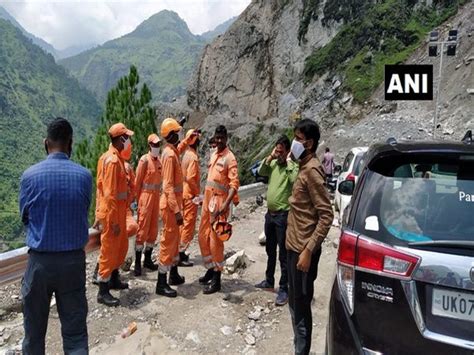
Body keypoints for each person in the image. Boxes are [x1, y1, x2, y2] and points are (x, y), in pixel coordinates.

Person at [19, 118, 92, 354]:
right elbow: (82, 209)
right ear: (70, 144)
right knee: (75, 334)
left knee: (34, 334)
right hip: (72, 263)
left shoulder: (29, 177)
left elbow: (25, 217)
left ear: (45, 143)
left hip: (40, 263)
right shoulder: (84, 176)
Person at [286, 119, 334, 355]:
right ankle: (298, 347)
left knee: (302, 308)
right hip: (292, 246)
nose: (294, 142)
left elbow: (327, 215)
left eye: (298, 138)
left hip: (302, 252)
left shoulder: (313, 170)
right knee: (294, 303)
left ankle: (301, 351)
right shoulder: (303, 167)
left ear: (310, 143)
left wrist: (308, 250)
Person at [255, 135, 298, 306]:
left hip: (282, 215)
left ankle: (284, 288)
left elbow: (295, 181)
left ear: (287, 151)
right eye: (277, 151)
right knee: (270, 250)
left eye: (281, 152)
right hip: (270, 214)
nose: (278, 154)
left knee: (283, 254)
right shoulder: (273, 164)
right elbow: (260, 171)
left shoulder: (291, 166)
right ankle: (268, 279)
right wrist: (271, 157)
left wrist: (287, 161)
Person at [155, 118, 197, 297]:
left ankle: (173, 274)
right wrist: (177, 211)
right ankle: (161, 282)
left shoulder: (171, 151)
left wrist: (188, 140)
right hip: (171, 207)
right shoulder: (170, 156)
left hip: (174, 205)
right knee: (168, 243)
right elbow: (168, 187)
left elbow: (178, 148)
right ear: (171, 135)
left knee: (173, 243)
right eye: (178, 133)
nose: (180, 135)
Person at [95, 122, 134, 307]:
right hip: (113, 213)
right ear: (120, 139)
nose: (129, 141)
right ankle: (103, 290)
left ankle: (114, 278)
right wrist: (113, 221)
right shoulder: (111, 161)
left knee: (120, 247)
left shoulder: (114, 158)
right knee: (109, 251)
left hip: (118, 211)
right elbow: (109, 194)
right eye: (126, 137)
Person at [198, 125, 240, 294]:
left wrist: (225, 205)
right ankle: (210, 268)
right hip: (208, 201)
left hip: (219, 202)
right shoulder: (214, 153)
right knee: (203, 236)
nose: (220, 140)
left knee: (216, 241)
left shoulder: (230, 158)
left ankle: (217, 278)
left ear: (226, 138)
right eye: (217, 137)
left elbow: (234, 184)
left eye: (222, 137)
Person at [134, 133, 162, 276]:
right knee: (142, 230)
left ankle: (148, 259)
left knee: (153, 230)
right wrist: (137, 201)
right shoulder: (144, 160)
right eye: (154, 144)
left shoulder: (159, 162)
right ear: (149, 145)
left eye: (158, 145)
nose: (157, 147)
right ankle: (138, 262)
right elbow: (137, 182)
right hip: (145, 197)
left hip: (156, 197)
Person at [178, 129, 202, 267]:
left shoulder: (186, 154)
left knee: (183, 224)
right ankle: (181, 253)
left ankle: (179, 251)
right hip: (190, 194)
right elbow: (192, 178)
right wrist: (197, 193)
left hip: (184, 192)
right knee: (188, 224)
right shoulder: (193, 157)